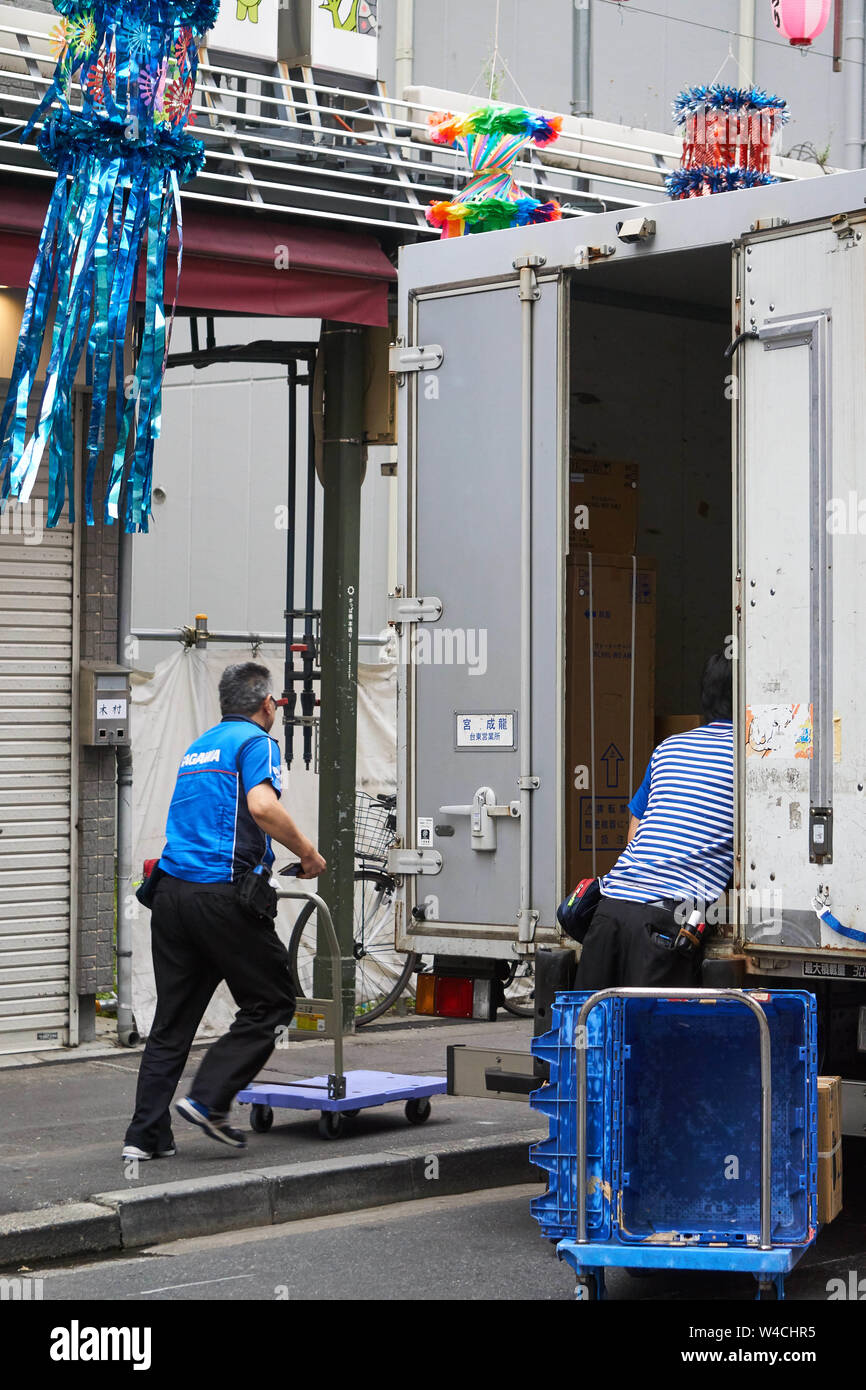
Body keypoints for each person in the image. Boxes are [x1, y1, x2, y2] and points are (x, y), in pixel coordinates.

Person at [123, 662, 326, 1159]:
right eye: (276, 701)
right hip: (221, 896)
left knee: (172, 1023)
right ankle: (209, 1100)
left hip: (172, 895)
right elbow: (262, 807)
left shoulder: (199, 747)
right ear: (267, 705)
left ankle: (144, 1136)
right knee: (273, 1003)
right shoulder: (256, 743)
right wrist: (308, 854)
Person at [575, 652, 734, 989]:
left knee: (591, 1033)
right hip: (666, 925)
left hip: (610, 909)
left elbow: (635, 831)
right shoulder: (752, 755)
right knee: (654, 1036)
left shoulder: (669, 747)